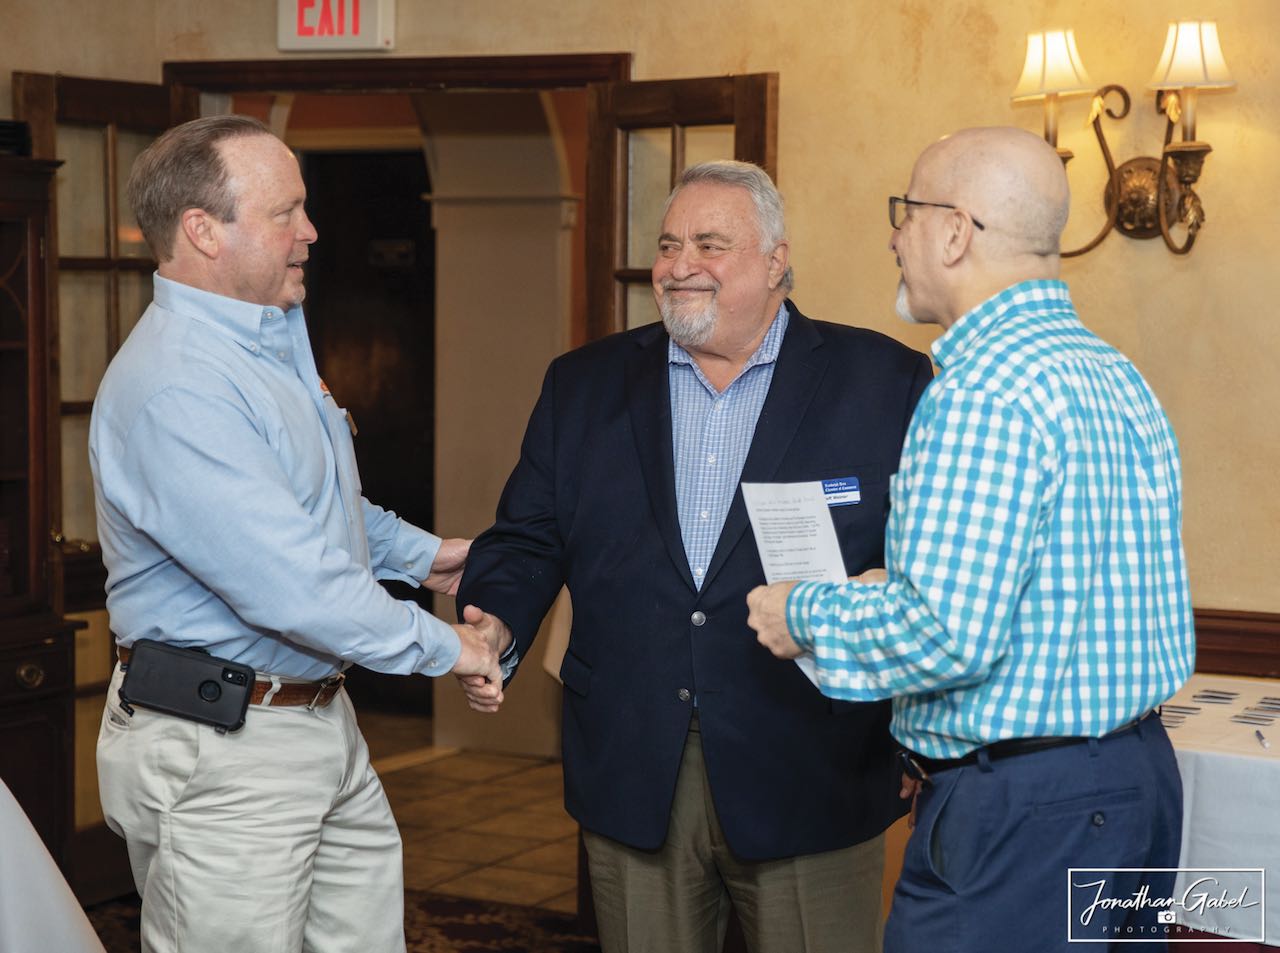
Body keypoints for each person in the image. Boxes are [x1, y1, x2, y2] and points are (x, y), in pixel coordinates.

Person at [455, 160, 933, 953]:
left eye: (710, 244)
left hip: (812, 761)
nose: (679, 266)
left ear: (776, 259)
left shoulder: (883, 382)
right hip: (633, 758)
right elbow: (528, 535)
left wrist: (917, 732)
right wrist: (496, 621)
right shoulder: (584, 385)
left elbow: (922, 570)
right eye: (669, 244)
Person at [748, 127, 1194, 953]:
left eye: (905, 213)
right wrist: (891, 591)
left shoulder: (982, 392)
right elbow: (1066, 596)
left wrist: (800, 614)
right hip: (1140, 783)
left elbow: (950, 635)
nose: (893, 235)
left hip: (1025, 812)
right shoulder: (1113, 372)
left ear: (954, 231)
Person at [89, 115, 504, 953]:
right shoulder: (180, 386)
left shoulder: (270, 338)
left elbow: (316, 508)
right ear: (203, 231)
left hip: (315, 718)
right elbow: (291, 581)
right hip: (222, 749)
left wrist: (430, 559)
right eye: (287, 212)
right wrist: (451, 649)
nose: (310, 231)